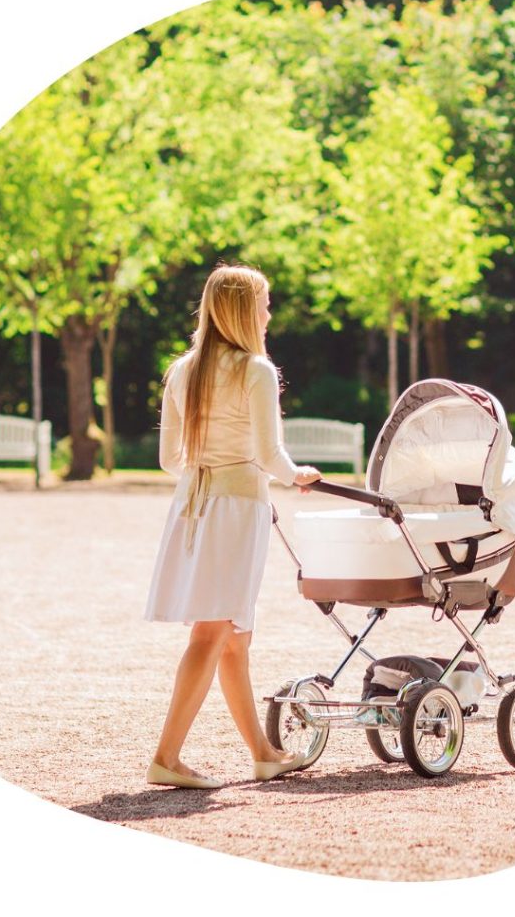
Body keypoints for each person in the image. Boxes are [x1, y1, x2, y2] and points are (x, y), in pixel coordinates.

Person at [143, 264, 321, 789]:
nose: (269, 313)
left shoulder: (184, 370)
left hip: (192, 506)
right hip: (237, 511)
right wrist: (297, 476)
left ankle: (263, 753)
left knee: (234, 637)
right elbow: (269, 454)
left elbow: (168, 459)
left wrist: (207, 472)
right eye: (264, 303)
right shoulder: (255, 370)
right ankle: (167, 757)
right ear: (246, 310)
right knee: (213, 629)